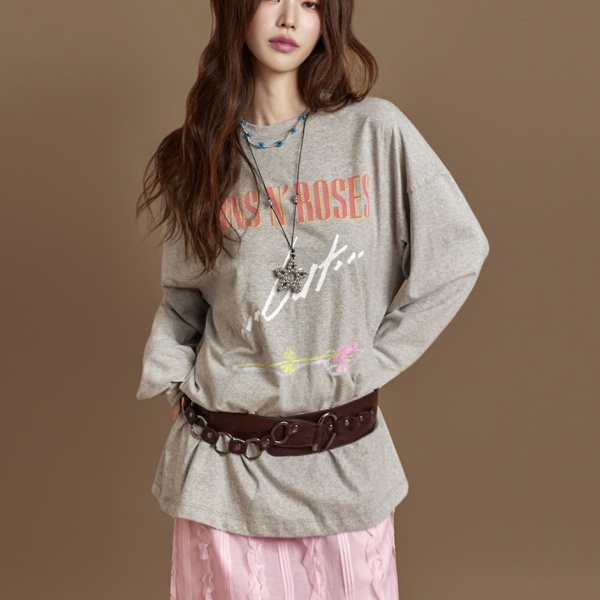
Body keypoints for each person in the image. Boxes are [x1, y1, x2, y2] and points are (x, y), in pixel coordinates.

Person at [135, 0, 490, 597]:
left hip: (342, 465)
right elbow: (182, 300)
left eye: (310, 3)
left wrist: (374, 361)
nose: (289, 19)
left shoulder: (374, 132)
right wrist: (174, 381)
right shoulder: (197, 156)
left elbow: (458, 253)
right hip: (225, 470)